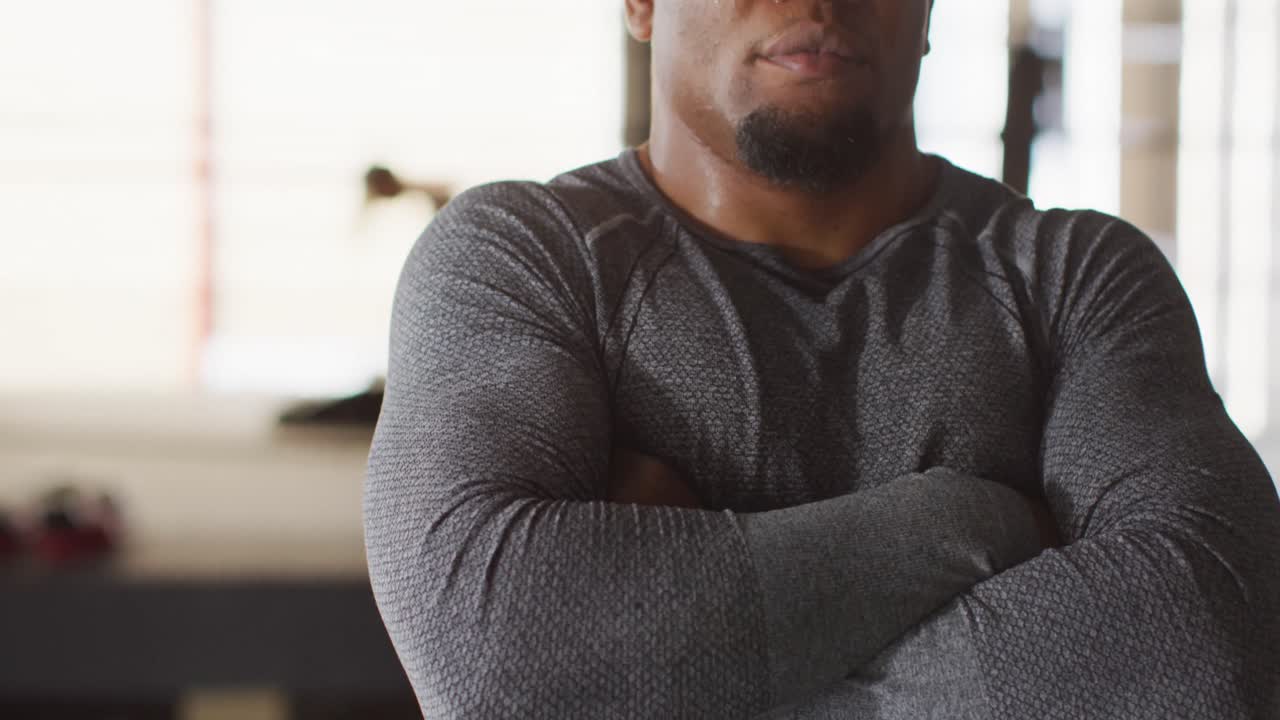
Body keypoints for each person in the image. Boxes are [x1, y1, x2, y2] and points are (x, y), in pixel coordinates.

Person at [363, 1, 1280, 717]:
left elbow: (1212, 639)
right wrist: (986, 522)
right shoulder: (521, 256)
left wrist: (657, 671)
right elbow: (496, 655)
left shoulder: (1076, 278)